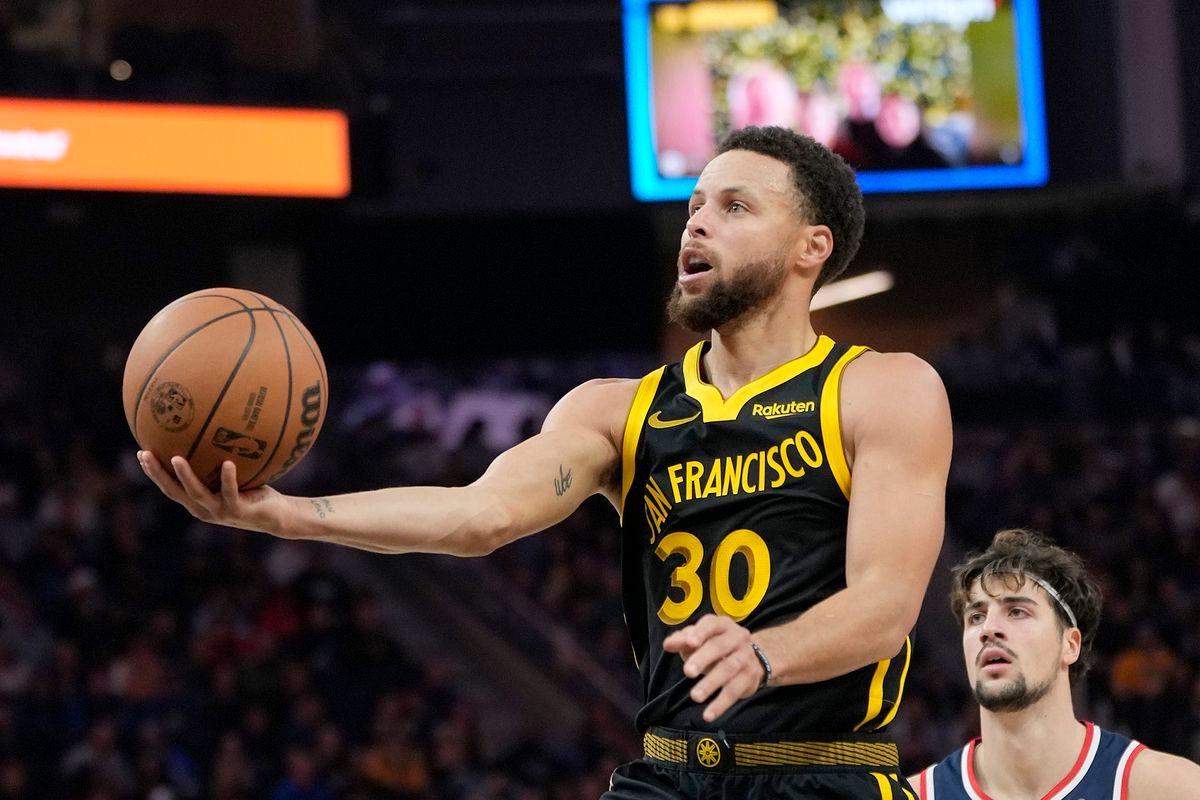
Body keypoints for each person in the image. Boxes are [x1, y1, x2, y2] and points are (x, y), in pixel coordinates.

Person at [139, 125, 952, 798]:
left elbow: (884, 605)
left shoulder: (880, 391)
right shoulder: (616, 411)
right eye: (696, 204)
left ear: (813, 247)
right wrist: (285, 513)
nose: (697, 223)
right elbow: (478, 515)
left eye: (735, 207)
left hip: (822, 774)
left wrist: (766, 652)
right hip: (668, 776)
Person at [909, 529, 1200, 799]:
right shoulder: (915, 795)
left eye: (1017, 611)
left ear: (1070, 644)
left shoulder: (1166, 788)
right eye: (976, 617)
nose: (988, 628)